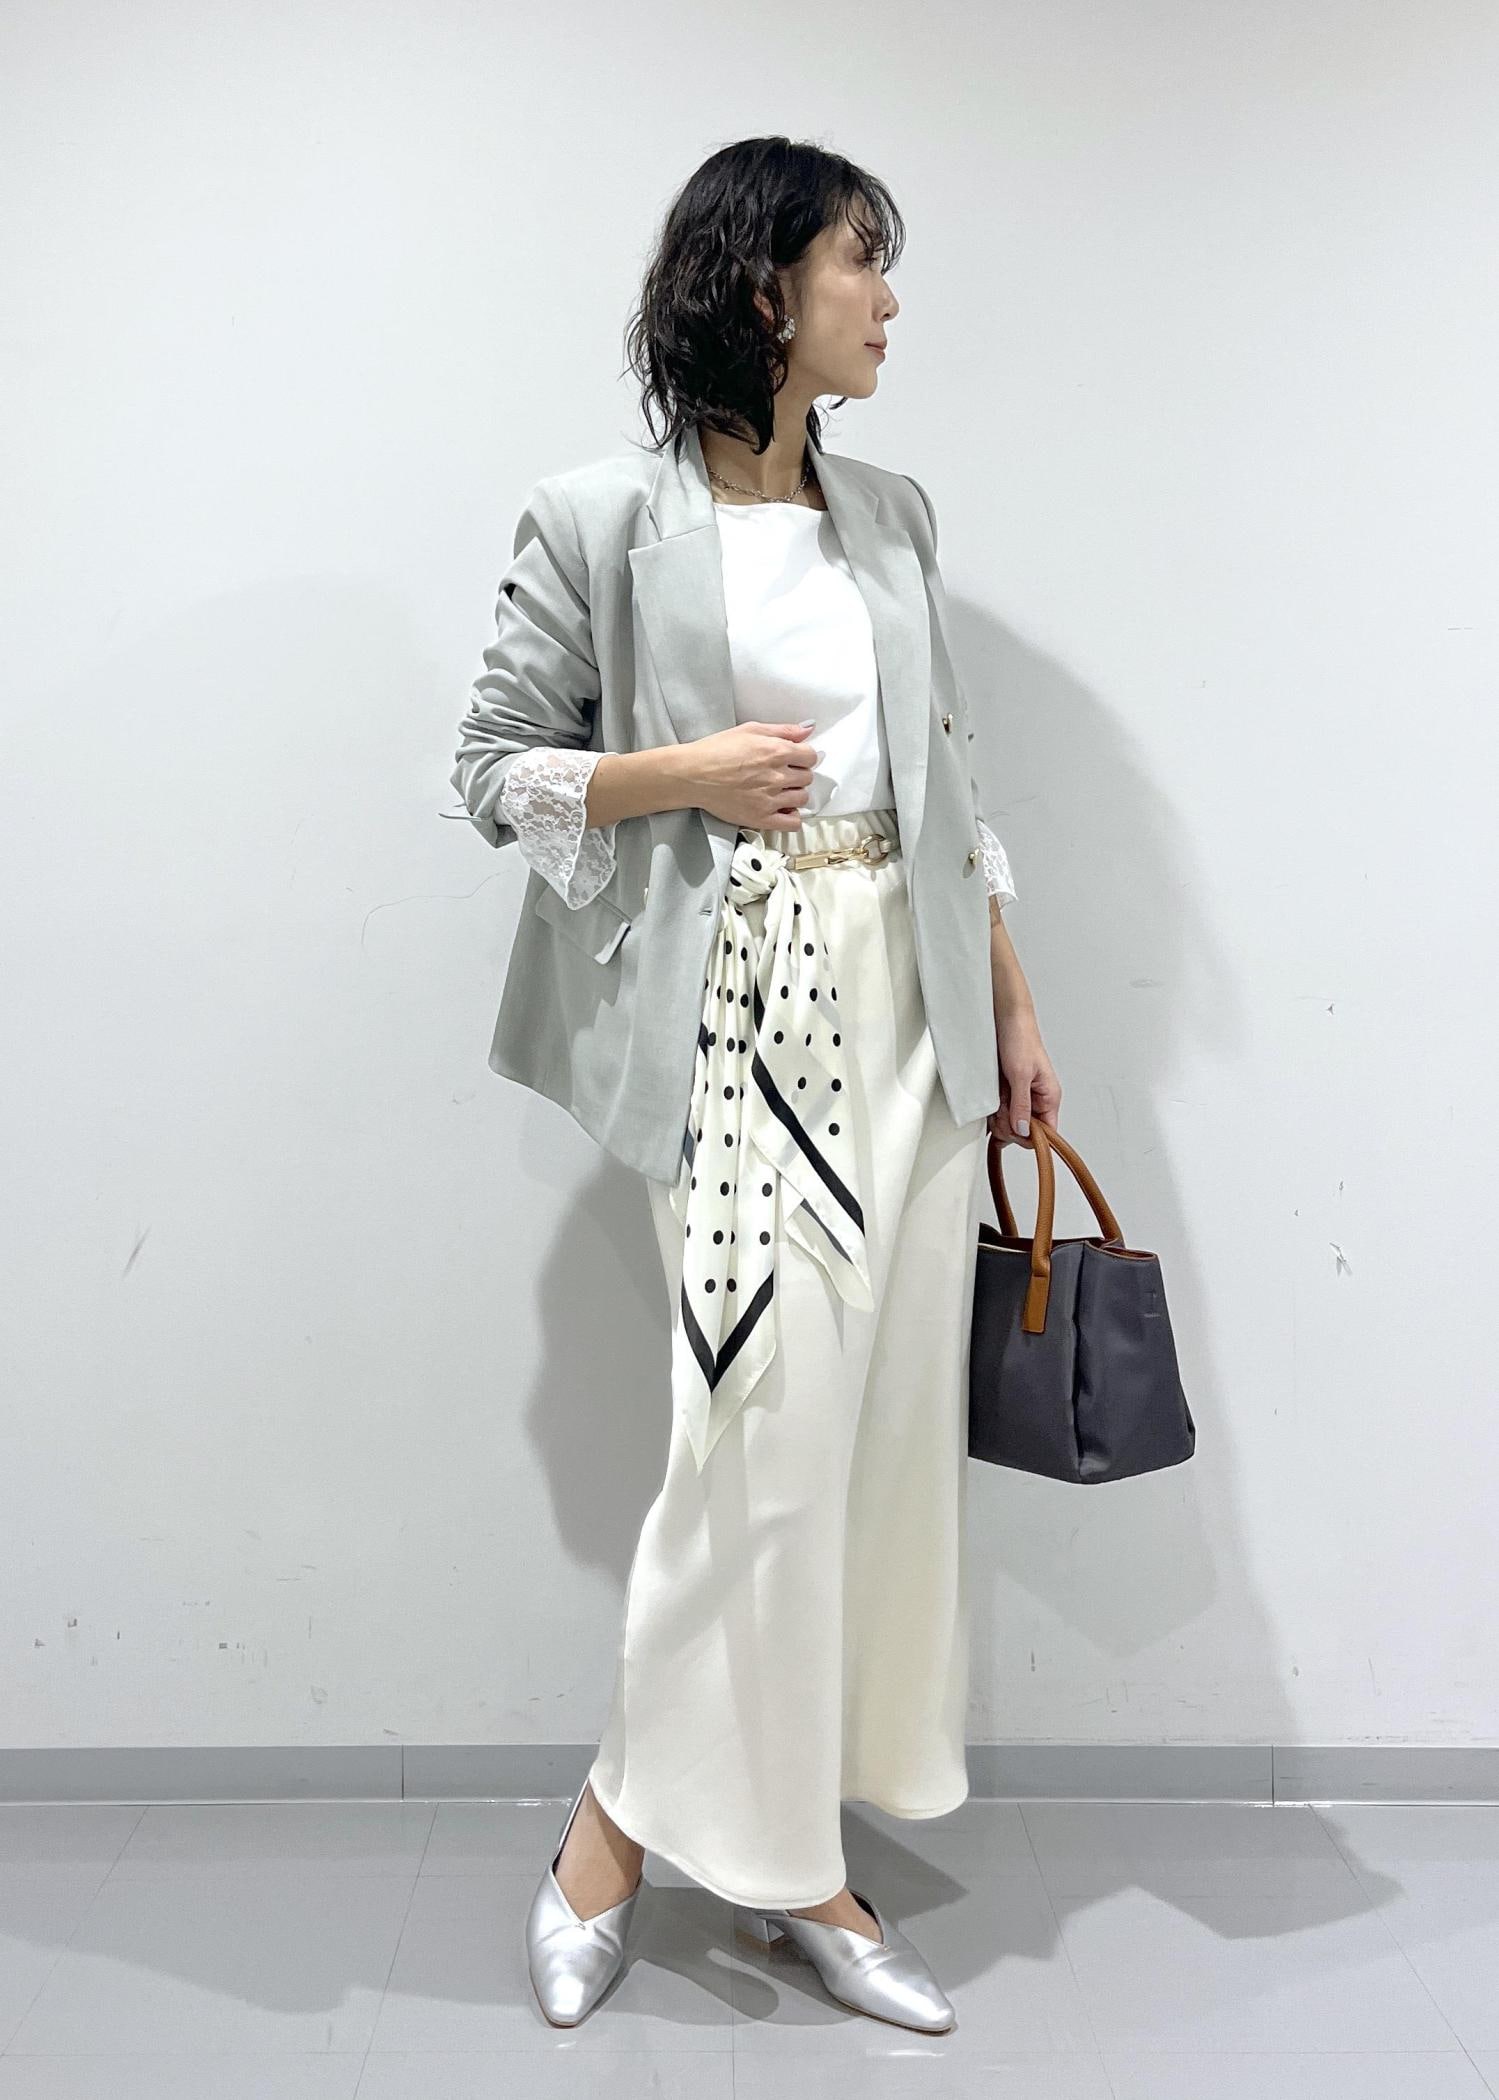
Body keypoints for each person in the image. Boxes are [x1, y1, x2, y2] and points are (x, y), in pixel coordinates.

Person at [445, 135, 1062, 2033]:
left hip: (911, 1010)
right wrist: (686, 775)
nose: (890, 299)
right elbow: (492, 770)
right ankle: (639, 1846)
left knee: (868, 1452)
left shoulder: (894, 514)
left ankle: (778, 1852)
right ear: (762, 286)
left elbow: (947, 778)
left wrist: (1015, 1010)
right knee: (756, 1431)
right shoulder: (596, 518)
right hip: (736, 1017)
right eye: (862, 260)